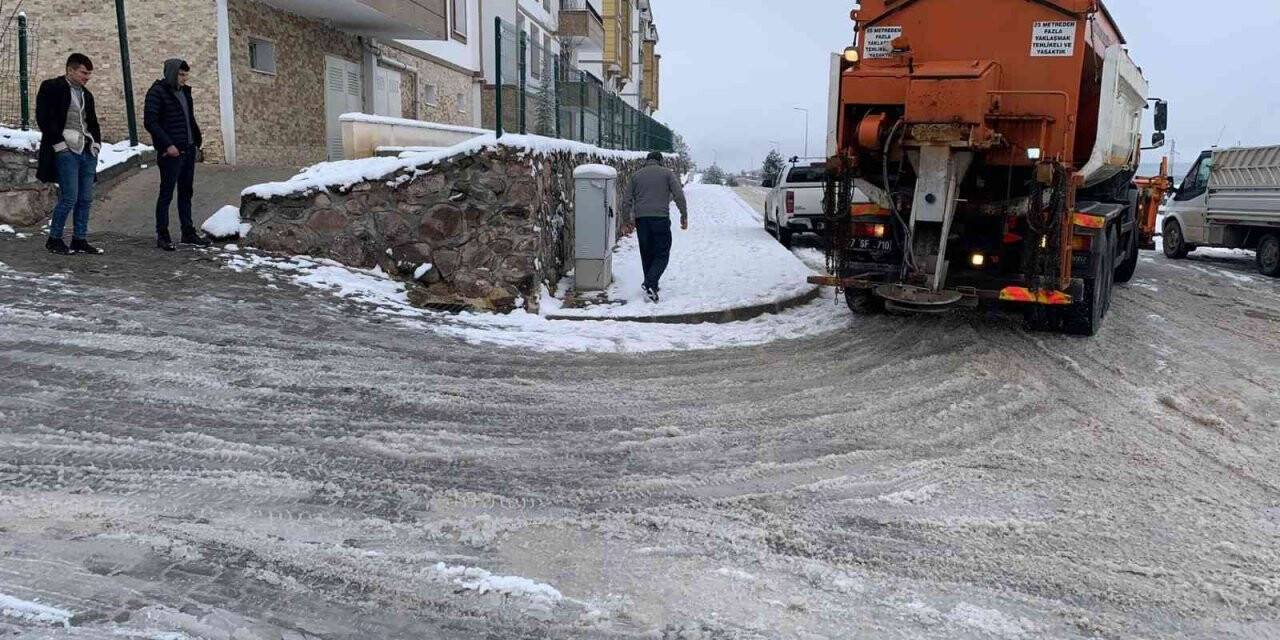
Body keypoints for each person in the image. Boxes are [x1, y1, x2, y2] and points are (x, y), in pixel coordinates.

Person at [36, 53, 104, 255]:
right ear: (70, 70)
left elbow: (92, 122)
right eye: (84, 72)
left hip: (86, 150)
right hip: (66, 150)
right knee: (69, 198)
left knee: (85, 199)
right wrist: (59, 144)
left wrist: (96, 145)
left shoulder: (86, 94)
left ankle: (79, 239)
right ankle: (54, 238)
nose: (87, 77)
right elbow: (44, 117)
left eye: (89, 74)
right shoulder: (51, 87)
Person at [144, 58, 209, 251]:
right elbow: (151, 122)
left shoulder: (185, 93)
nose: (184, 79)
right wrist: (167, 145)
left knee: (186, 192)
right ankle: (162, 234)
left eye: (186, 75)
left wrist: (196, 141)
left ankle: (187, 231)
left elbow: (188, 118)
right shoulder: (157, 92)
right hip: (171, 153)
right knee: (166, 193)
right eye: (181, 74)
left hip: (187, 149)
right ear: (172, 73)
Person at [623, 151, 688, 302]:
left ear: (647, 161)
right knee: (662, 253)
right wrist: (683, 215)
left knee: (647, 253)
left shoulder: (636, 175)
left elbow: (626, 200)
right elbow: (679, 195)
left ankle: (652, 284)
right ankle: (651, 283)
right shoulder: (667, 174)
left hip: (642, 220)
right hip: (660, 219)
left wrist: (627, 220)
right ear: (660, 161)